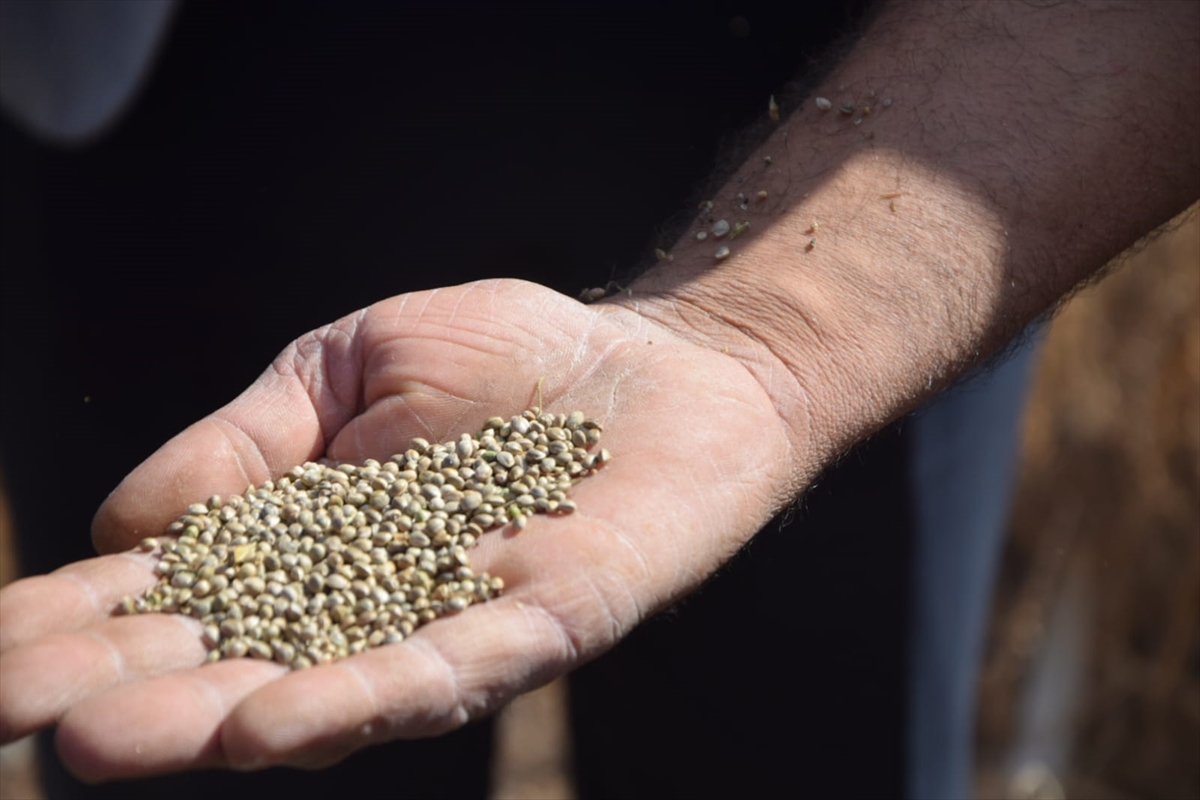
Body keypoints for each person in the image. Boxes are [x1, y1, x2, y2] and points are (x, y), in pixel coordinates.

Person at [0, 2, 1195, 798]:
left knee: (804, 738)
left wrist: (776, 343)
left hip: (884, 86)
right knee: (215, 748)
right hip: (181, 74)